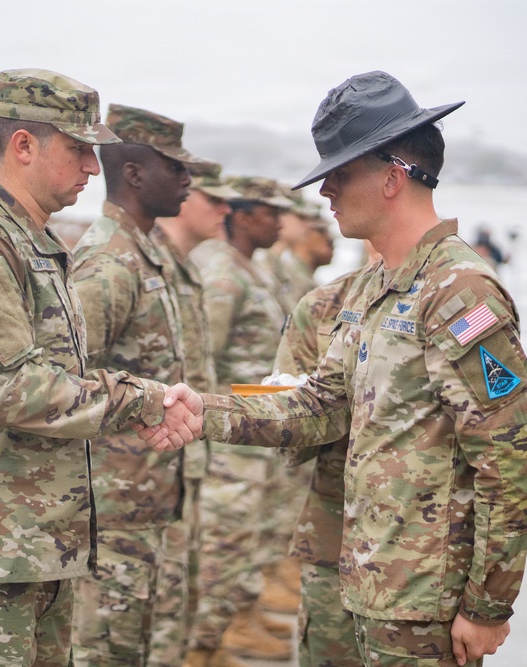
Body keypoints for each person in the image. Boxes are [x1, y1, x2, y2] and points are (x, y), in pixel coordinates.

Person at [146, 70, 527, 667]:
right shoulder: (370, 290)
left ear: (392, 177)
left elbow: (507, 458)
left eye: (341, 172)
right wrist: (206, 412)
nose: (326, 190)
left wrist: (489, 606)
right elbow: (320, 405)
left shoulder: (459, 292)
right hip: (362, 582)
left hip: (422, 604)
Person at [0, 69, 192, 667]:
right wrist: (142, 400)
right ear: (23, 145)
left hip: (42, 541)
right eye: (78, 150)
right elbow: (15, 390)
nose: (93, 169)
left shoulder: (34, 242)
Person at [68, 102, 200, 665]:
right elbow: (67, 383)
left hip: (145, 505)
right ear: (134, 173)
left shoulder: (145, 253)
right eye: (175, 166)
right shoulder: (108, 262)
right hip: (111, 514)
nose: (188, 179)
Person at [186, 176, 297, 665]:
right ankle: (202, 647)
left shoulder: (248, 268)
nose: (279, 221)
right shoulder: (224, 274)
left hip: (251, 439)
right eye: (270, 211)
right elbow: (201, 360)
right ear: (243, 214)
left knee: (240, 545)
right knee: (220, 550)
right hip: (226, 445)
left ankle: (227, 630)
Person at [275, 240, 380, 667]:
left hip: (425, 551)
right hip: (335, 534)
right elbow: (290, 429)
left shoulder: (452, 293)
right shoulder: (323, 305)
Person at [149, 160, 237, 667]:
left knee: (174, 603)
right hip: (136, 480)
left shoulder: (181, 264)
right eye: (213, 197)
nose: (224, 210)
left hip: (178, 464)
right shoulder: (118, 261)